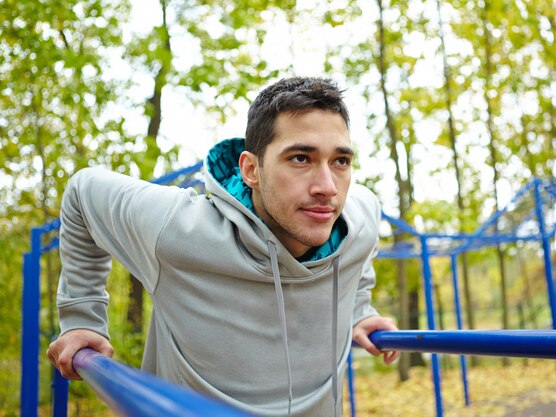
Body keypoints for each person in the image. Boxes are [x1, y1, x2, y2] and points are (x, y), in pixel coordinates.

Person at [47, 76, 399, 417]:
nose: (328, 187)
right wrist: (82, 318)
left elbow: (358, 254)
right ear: (251, 169)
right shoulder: (178, 228)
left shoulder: (361, 216)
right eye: (300, 158)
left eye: (340, 161)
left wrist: (359, 310)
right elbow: (82, 191)